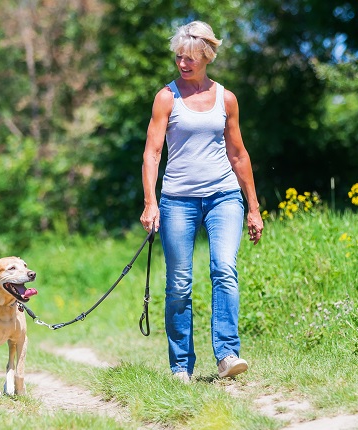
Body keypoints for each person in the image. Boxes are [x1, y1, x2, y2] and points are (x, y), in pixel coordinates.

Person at [139, 20, 263, 381]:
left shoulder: (226, 99)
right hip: (177, 200)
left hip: (224, 196)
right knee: (179, 282)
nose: (183, 64)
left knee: (224, 269)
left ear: (207, 56)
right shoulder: (167, 97)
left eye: (190, 58)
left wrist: (253, 207)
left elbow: (238, 154)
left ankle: (227, 354)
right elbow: (152, 153)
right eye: (179, 57)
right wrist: (151, 202)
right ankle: (181, 366)